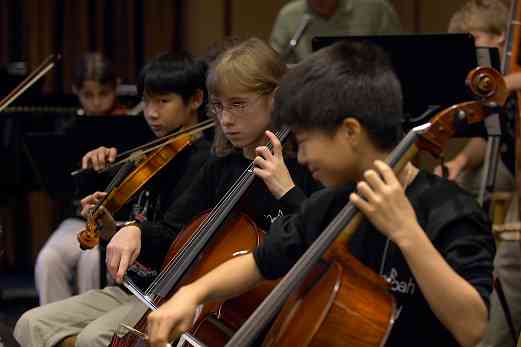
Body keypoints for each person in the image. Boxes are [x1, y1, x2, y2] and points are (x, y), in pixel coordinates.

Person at [146, 41, 495, 347]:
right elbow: (258, 262)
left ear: (350, 132)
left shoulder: (448, 209)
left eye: (306, 140)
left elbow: (472, 328)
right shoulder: (331, 205)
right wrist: (193, 293)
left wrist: (408, 234)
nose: (303, 155)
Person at [15, 38, 320, 347]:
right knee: (28, 323)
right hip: (171, 290)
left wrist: (287, 191)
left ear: (275, 99)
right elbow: (172, 231)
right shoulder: (220, 166)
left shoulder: (308, 166)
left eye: (238, 105)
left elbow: (324, 246)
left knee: (93, 339)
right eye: (219, 107)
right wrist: (133, 231)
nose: (226, 119)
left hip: (250, 313)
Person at [14, 51, 212, 347]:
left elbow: (173, 237)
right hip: (131, 287)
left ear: (195, 100)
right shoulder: (149, 152)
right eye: (146, 101)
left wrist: (131, 231)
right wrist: (109, 226)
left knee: (91, 339)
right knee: (29, 322)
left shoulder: (204, 163)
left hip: (163, 292)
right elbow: (130, 224)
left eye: (163, 101)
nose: (152, 112)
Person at [434, 2, 521, 346]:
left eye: (472, 42)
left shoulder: (505, 78)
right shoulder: (493, 87)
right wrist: (459, 163)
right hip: (508, 163)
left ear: (501, 41)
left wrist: (508, 81)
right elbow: (493, 137)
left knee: (512, 263)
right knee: (460, 186)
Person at [34, 52, 127, 306]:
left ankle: (88, 333)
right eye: (88, 95)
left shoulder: (131, 125)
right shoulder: (68, 128)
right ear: (76, 91)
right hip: (79, 220)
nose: (96, 103)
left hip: (115, 222)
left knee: (92, 260)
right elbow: (59, 185)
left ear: (116, 87)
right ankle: (55, 335)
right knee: (49, 258)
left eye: (103, 94)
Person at [270, 0, 401, 63]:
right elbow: (274, 67)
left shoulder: (376, 9)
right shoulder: (288, 15)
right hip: (310, 100)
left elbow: (398, 57)